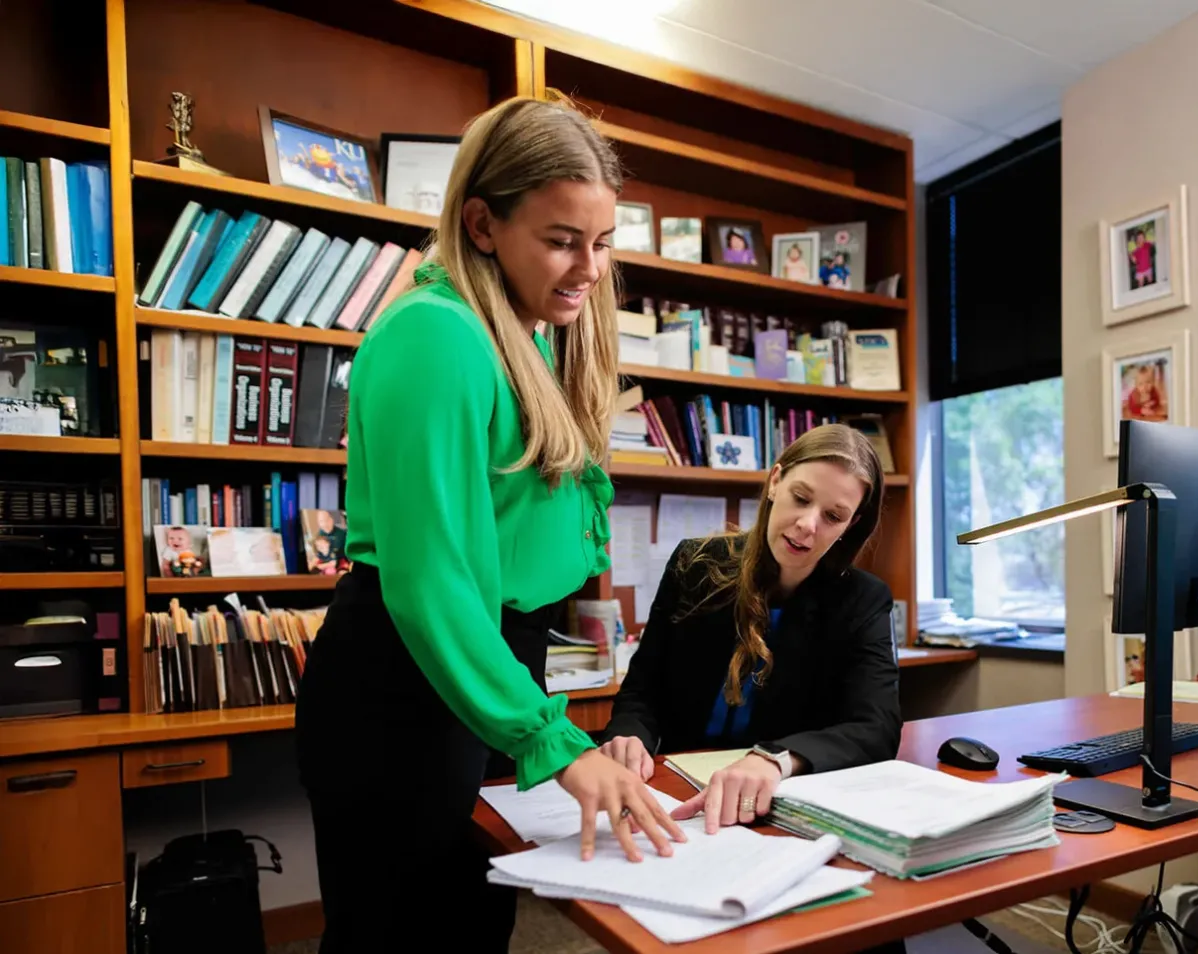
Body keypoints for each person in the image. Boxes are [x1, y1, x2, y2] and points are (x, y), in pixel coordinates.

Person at [295, 95, 684, 954]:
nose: (588, 268)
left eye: (603, 242)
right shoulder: (435, 338)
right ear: (481, 223)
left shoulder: (529, 329)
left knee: (474, 928)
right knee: (401, 939)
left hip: (491, 667)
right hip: (407, 681)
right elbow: (434, 585)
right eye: (561, 239)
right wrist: (551, 737)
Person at [599, 424, 901, 831]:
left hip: (771, 803)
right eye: (801, 498)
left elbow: (876, 727)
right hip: (675, 790)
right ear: (775, 482)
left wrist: (777, 758)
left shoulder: (863, 599)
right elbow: (643, 689)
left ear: (852, 523)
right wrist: (628, 736)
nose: (808, 525)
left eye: (833, 516)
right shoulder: (696, 565)